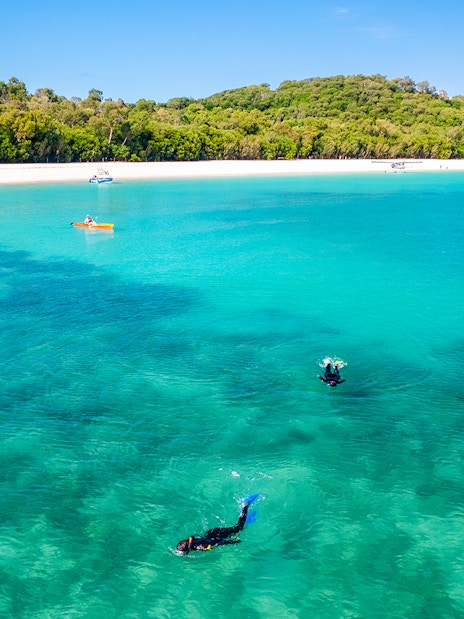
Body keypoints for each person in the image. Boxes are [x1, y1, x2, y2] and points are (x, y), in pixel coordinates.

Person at [176, 496, 258, 555]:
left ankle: (245, 506)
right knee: (234, 528)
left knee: (239, 528)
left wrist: (231, 542)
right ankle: (247, 520)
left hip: (217, 536)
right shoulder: (192, 540)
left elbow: (218, 542)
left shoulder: (201, 547)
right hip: (213, 532)